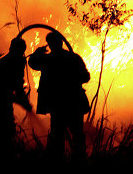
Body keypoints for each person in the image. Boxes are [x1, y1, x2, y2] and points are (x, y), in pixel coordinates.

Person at [28, 32, 91, 162]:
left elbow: (32, 63)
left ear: (50, 45)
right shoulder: (74, 58)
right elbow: (86, 77)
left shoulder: (47, 60)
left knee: (57, 135)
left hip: (57, 105)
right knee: (77, 133)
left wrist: (38, 52)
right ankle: (80, 160)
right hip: (74, 103)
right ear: (61, 42)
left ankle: (56, 161)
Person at [0, 38, 33, 156]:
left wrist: (21, 100)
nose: (22, 53)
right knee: (5, 128)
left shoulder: (9, 60)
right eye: (21, 50)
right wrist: (22, 100)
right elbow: (16, 84)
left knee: (4, 126)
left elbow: (17, 84)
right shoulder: (13, 61)